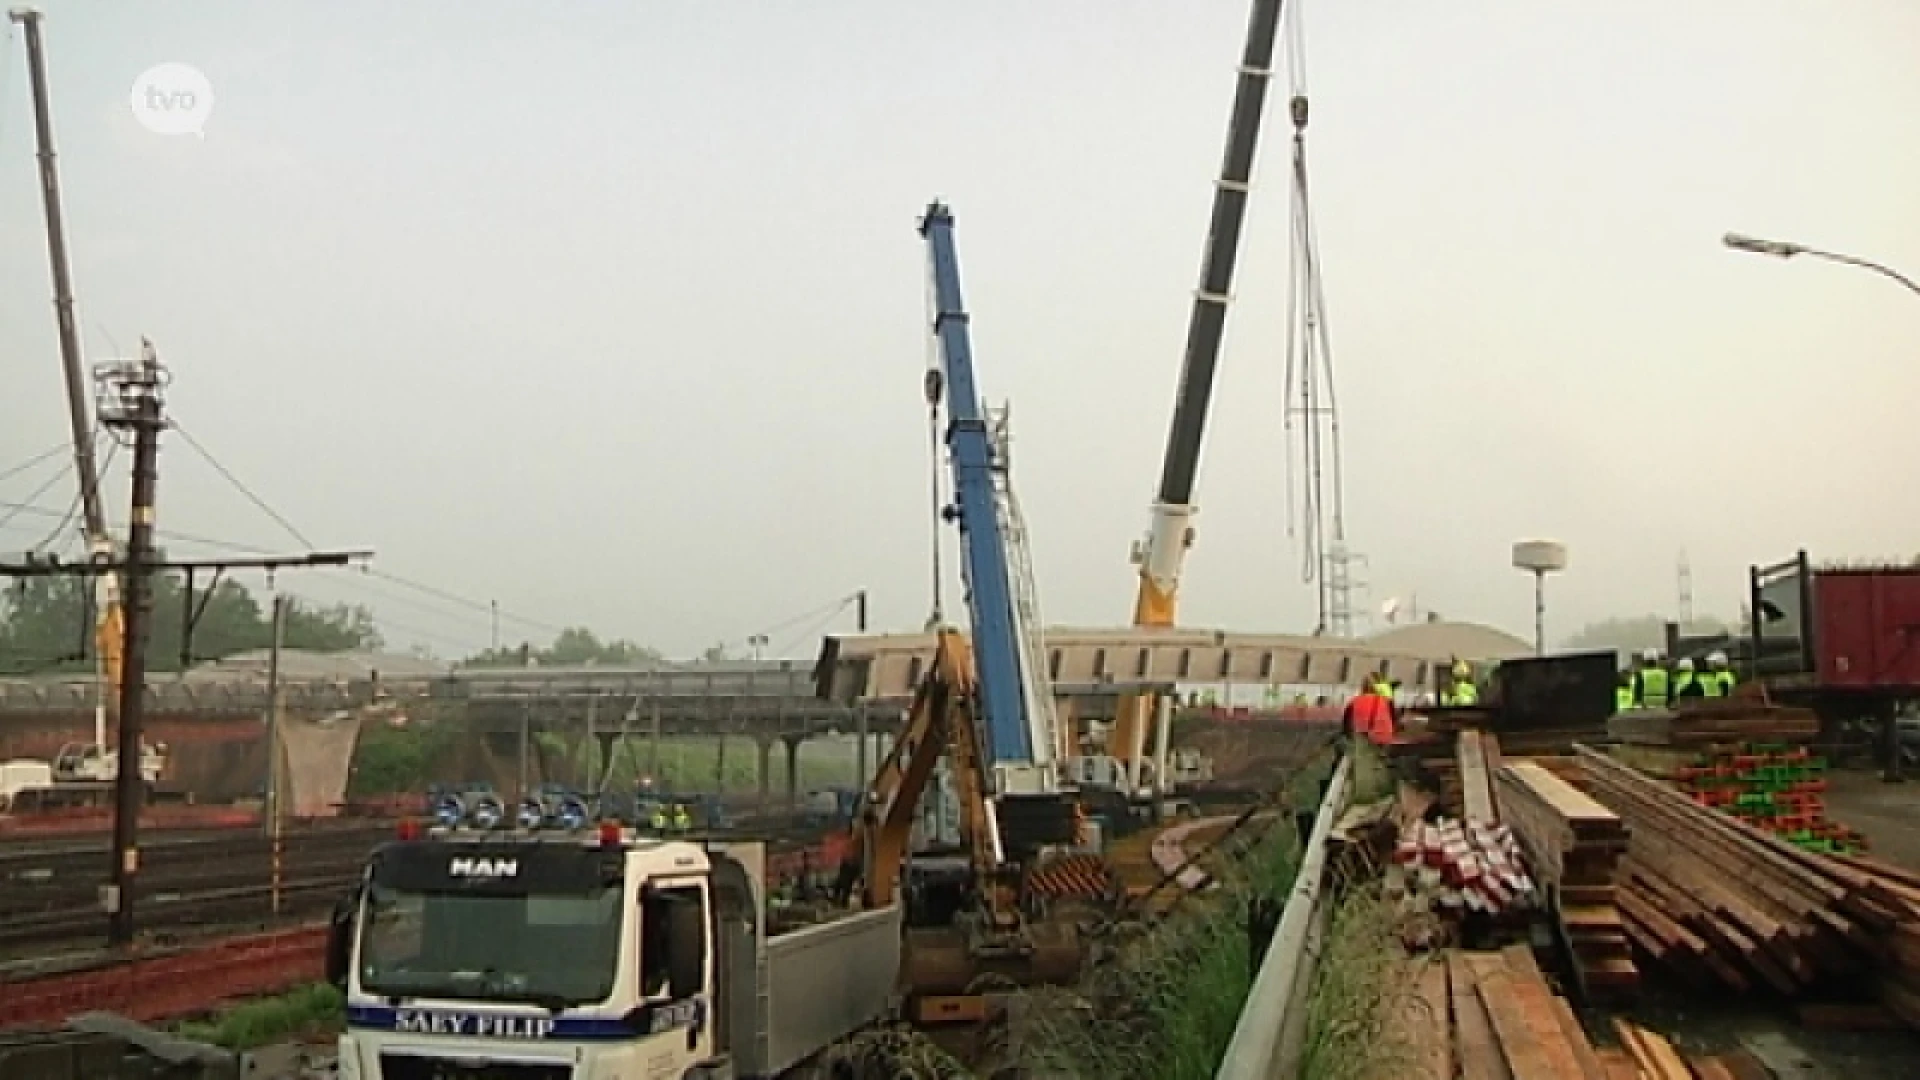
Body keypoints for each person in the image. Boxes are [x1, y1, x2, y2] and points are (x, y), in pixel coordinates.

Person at [1341, 681, 1397, 746]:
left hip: (1363, 739)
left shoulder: (1355, 701)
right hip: (1385, 738)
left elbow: (1345, 723)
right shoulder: (1386, 701)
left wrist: (1348, 737)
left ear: (1363, 689)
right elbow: (1393, 720)